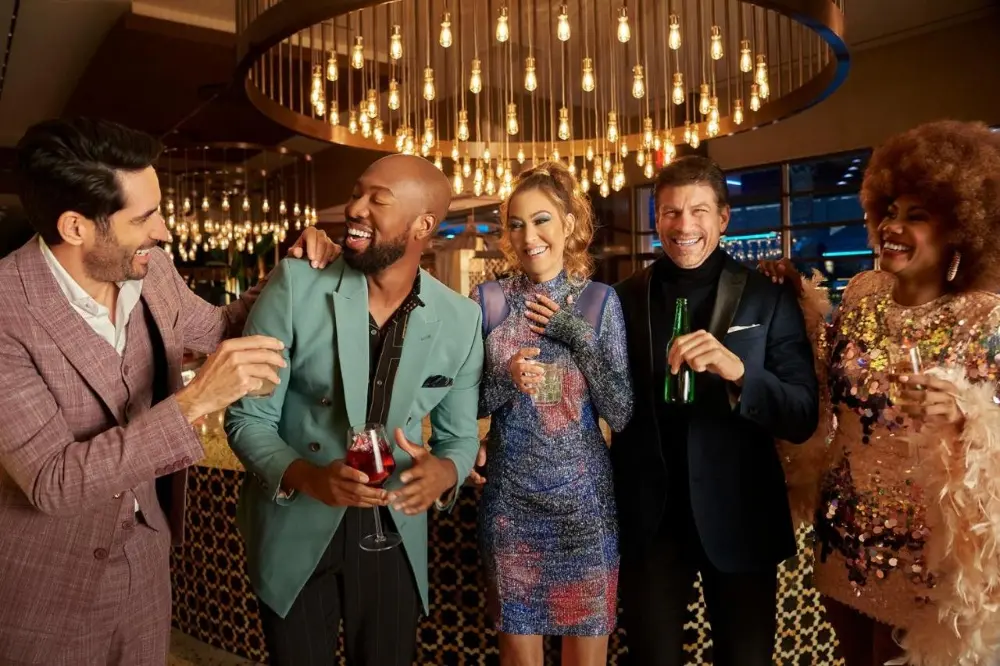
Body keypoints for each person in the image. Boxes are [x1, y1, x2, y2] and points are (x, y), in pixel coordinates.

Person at [0, 117, 338, 665]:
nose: (164, 233)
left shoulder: (151, 271)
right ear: (75, 226)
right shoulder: (6, 311)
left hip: (146, 565)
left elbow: (222, 327)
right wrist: (196, 401)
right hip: (45, 582)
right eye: (145, 217)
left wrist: (290, 274)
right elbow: (52, 482)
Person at [225, 153, 483, 666]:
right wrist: (309, 477)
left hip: (393, 530)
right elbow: (247, 418)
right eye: (357, 193)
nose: (355, 208)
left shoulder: (462, 318)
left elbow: (459, 438)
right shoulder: (296, 285)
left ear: (422, 225)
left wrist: (446, 471)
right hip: (297, 522)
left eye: (377, 200)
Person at [762, 120, 1000, 666]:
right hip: (844, 534)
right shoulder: (864, 292)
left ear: (962, 228)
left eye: (917, 216)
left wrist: (967, 415)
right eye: (890, 210)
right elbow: (823, 374)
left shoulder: (986, 318)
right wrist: (793, 301)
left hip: (926, 555)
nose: (893, 226)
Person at [612, 155, 819, 666]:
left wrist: (740, 372)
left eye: (699, 211)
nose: (684, 226)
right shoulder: (620, 298)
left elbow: (802, 414)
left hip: (742, 514)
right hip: (649, 521)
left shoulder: (767, 299)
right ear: (656, 218)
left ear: (723, 218)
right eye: (671, 212)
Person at [470, 162, 633, 666]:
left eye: (541, 220)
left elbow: (621, 412)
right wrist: (504, 380)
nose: (528, 235)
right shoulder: (489, 300)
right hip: (510, 505)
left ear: (569, 223)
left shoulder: (599, 301)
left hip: (585, 507)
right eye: (516, 224)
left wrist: (577, 336)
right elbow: (462, 403)